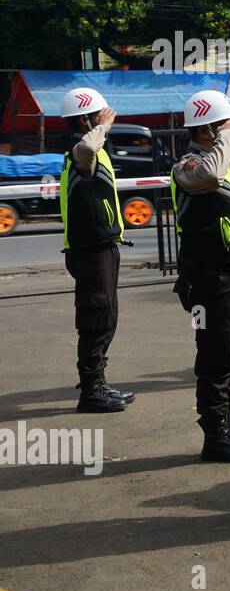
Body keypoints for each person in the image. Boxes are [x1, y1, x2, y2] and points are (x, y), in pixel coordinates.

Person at [170, 91, 230, 462]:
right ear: (209, 127)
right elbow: (209, 175)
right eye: (229, 123)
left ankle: (227, 422)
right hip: (211, 280)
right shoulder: (188, 165)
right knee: (215, 357)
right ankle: (215, 435)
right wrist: (226, 136)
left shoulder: (225, 161)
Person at [58, 87, 133, 413]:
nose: (108, 120)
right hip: (90, 251)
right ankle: (91, 390)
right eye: (100, 115)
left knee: (106, 316)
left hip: (102, 247)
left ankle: (98, 381)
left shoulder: (93, 151)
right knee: (96, 318)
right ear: (86, 118)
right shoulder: (81, 151)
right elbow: (88, 145)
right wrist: (100, 126)